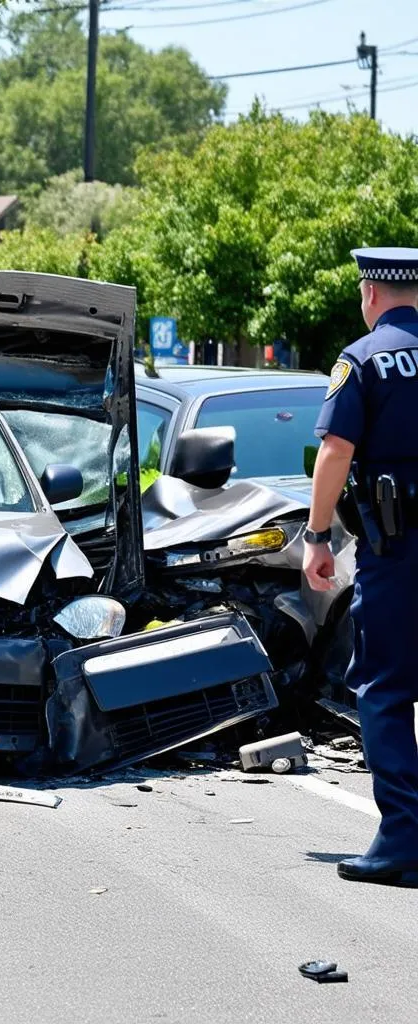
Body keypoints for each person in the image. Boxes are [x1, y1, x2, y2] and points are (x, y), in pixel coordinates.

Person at [305, 246, 418, 887]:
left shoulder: (365, 359)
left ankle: (403, 839)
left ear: (371, 294)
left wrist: (318, 537)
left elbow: (336, 451)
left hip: (398, 553)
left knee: (385, 689)